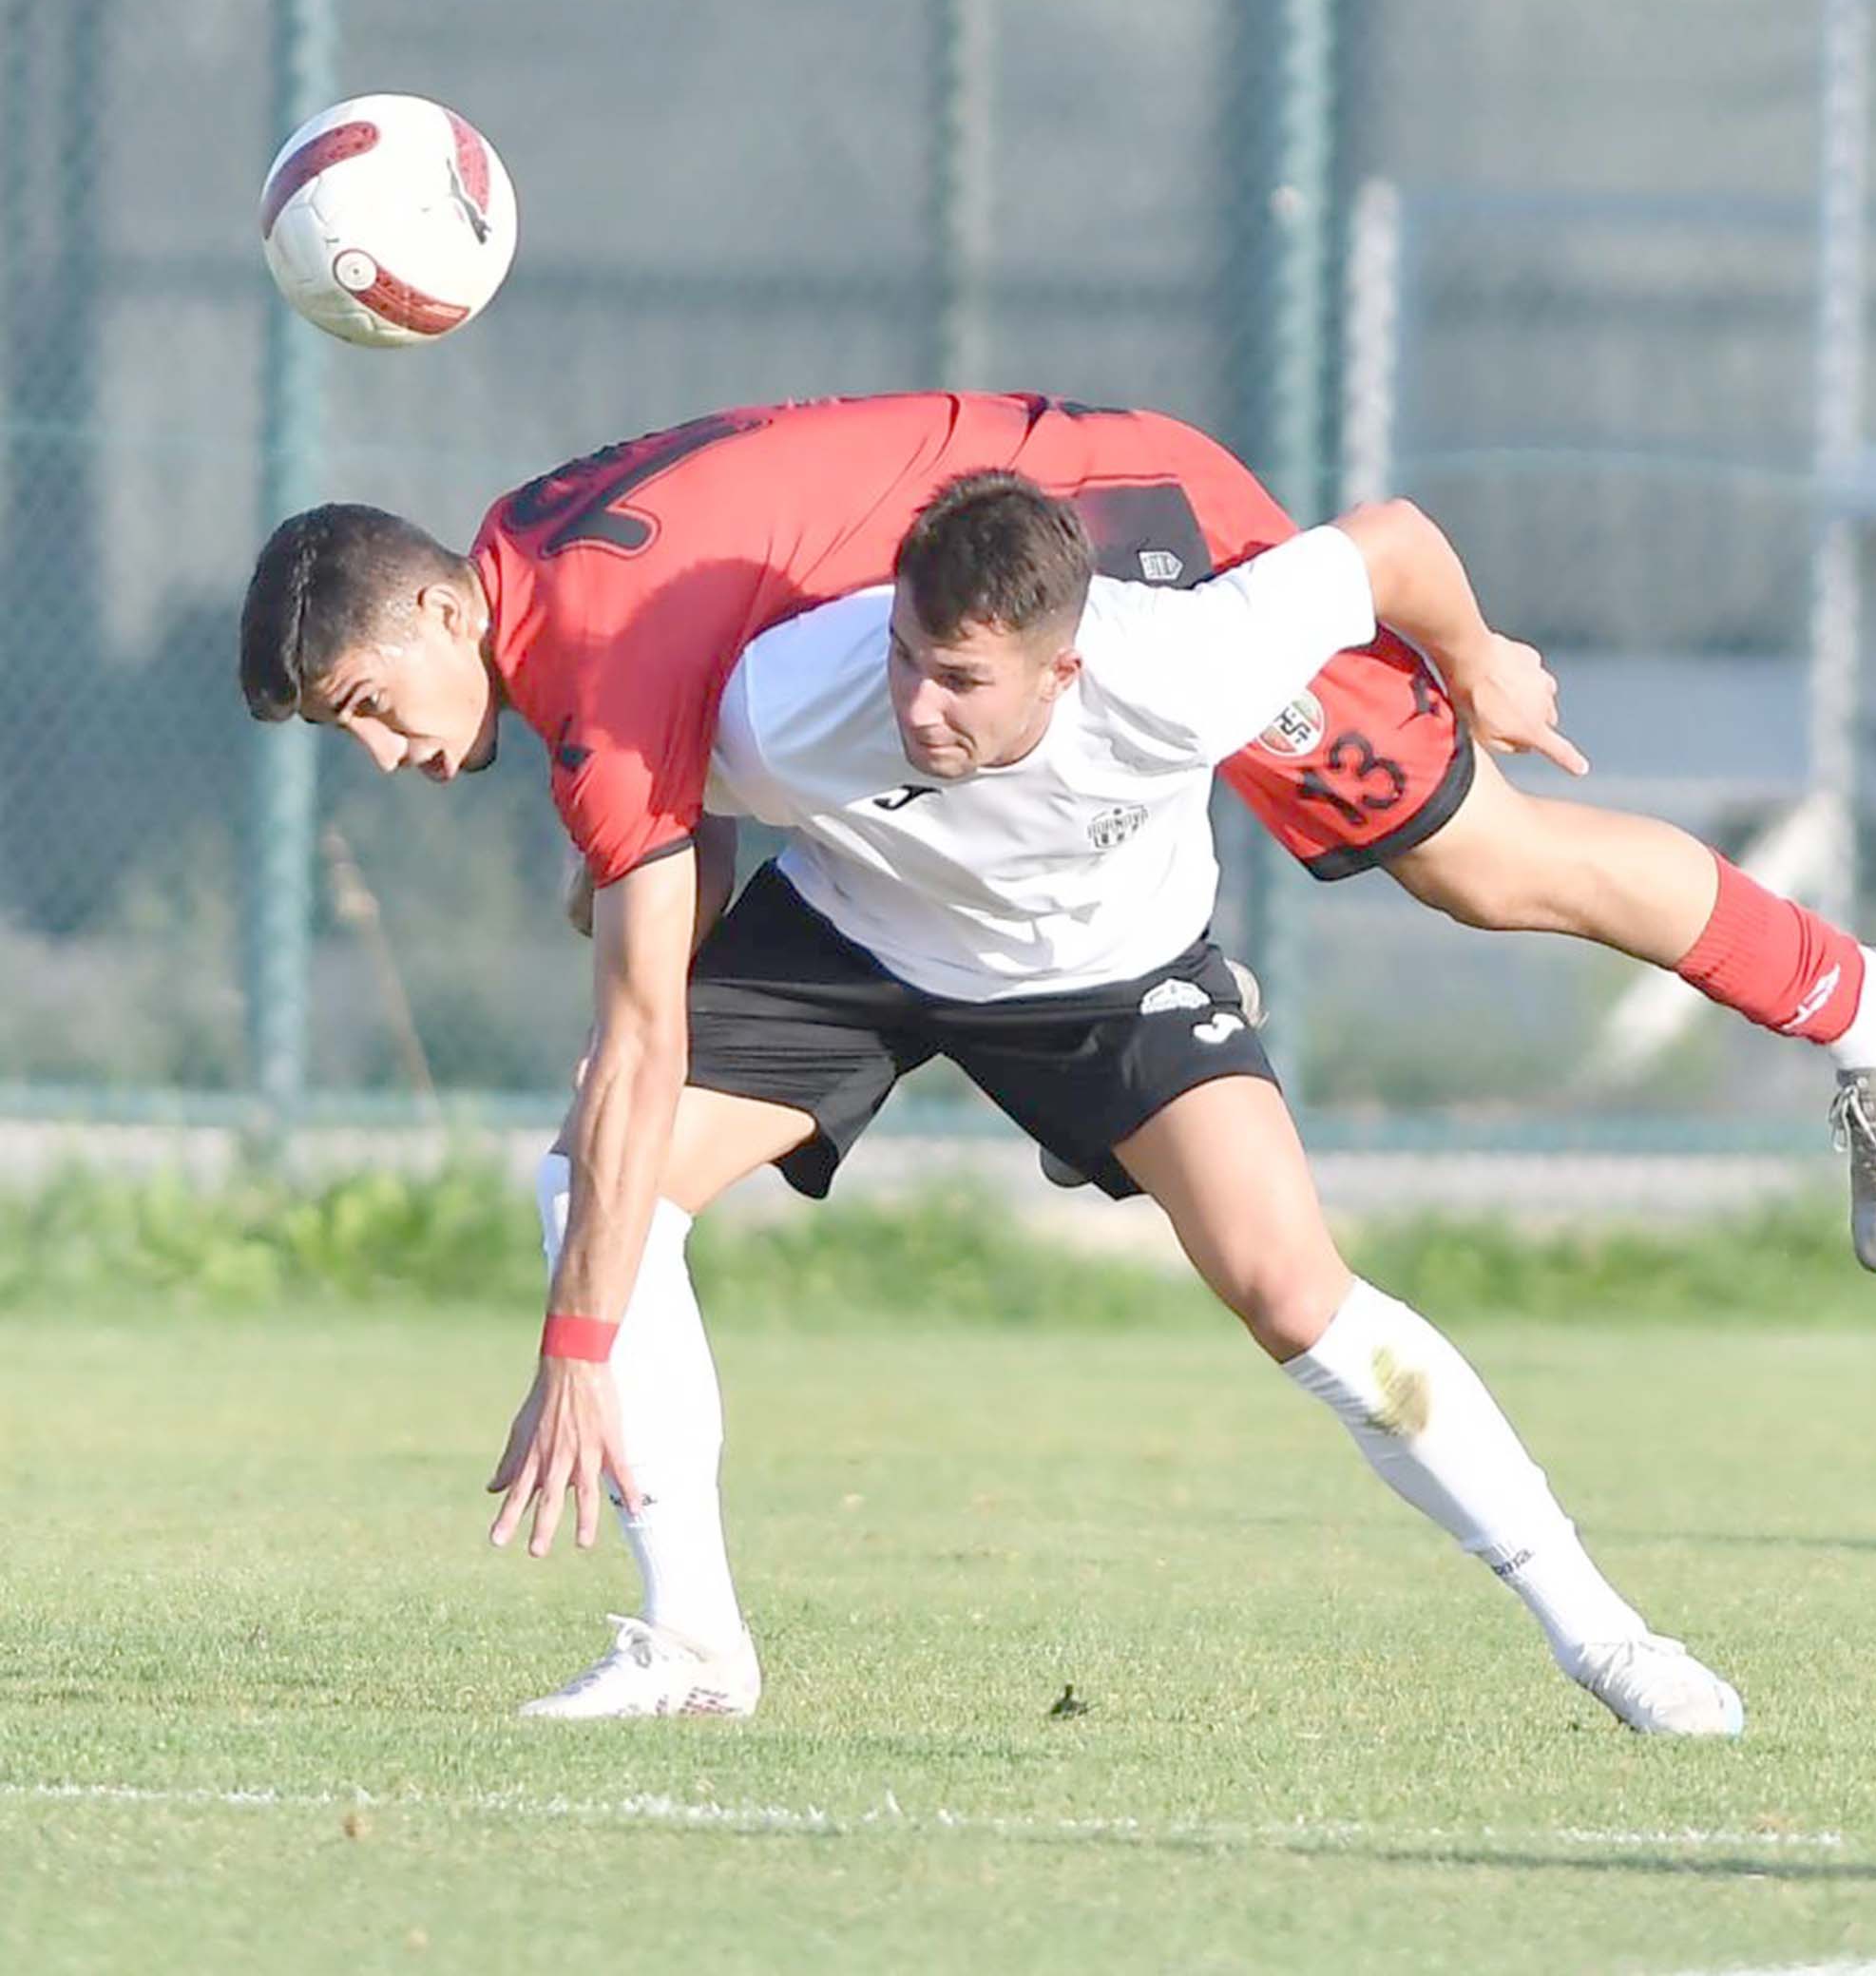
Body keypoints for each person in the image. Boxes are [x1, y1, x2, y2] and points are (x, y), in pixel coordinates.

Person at [484, 471, 1754, 1735]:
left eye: (966, 681)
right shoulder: (791, 699)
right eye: (909, 658)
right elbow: (663, 806)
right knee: (599, 1184)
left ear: (1066, 672)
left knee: (1296, 1299)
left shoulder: (1191, 662)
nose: (922, 707)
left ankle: (1607, 1636)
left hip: (1112, 973)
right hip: (852, 941)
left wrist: (1477, 663)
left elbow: (1399, 542)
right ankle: (696, 1649)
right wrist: (619, 887)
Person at [238, 390, 1876, 1284]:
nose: (383, 754)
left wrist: (1467, 653)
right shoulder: (540, 591)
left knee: (1488, 862)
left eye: (371, 707)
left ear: (447, 610)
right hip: (1001, 572)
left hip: (1130, 535)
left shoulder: (591, 664)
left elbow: (649, 925)